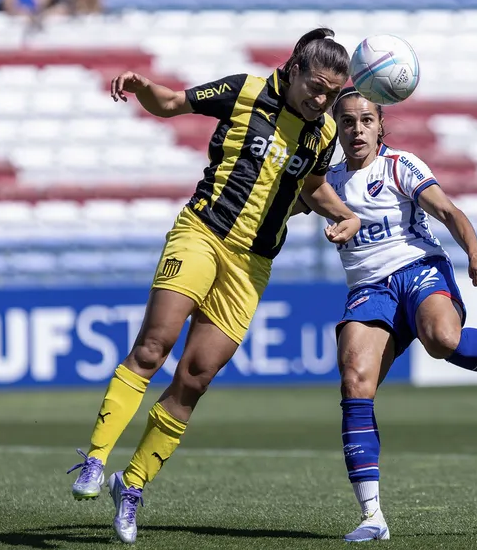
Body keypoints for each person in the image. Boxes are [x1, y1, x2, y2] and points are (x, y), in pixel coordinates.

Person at [65, 28, 360, 544]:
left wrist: (346, 215)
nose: (322, 100)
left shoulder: (324, 134)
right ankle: (94, 458)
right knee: (153, 347)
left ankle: (131, 486)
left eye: (332, 95)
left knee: (196, 377)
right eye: (316, 87)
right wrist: (143, 87)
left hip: (252, 267)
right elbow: (175, 102)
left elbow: (310, 185)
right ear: (293, 69)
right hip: (202, 233)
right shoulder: (246, 91)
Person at [291, 87, 477, 543]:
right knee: (356, 383)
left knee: (442, 340)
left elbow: (449, 211)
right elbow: (277, 211)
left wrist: (474, 253)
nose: (357, 129)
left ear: (381, 126)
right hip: (368, 289)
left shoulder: (400, 165)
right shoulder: (326, 181)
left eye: (366, 120)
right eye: (348, 122)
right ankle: (372, 516)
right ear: (337, 129)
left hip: (417, 269)